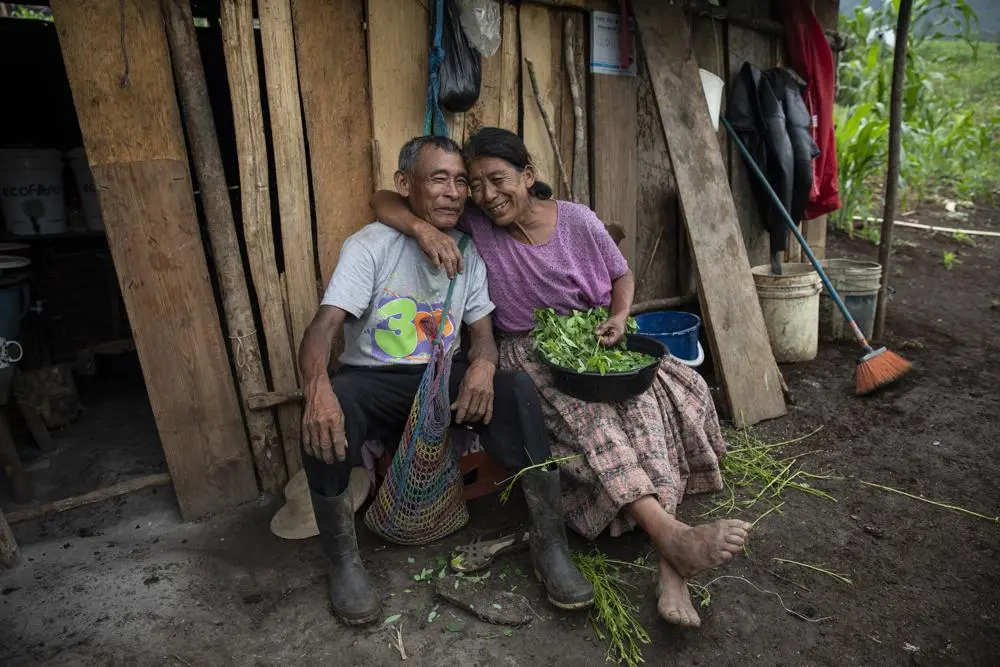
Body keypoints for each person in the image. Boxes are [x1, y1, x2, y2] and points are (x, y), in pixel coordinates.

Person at [371, 127, 751, 628]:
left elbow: (621, 275)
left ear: (528, 176)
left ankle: (670, 558)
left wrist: (619, 316)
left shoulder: (576, 220)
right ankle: (674, 541)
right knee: (596, 422)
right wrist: (424, 230)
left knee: (650, 407)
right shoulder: (480, 223)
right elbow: (381, 199)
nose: (486, 195)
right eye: (476, 185)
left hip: (595, 339)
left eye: (497, 180)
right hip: (531, 352)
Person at [298, 135, 594, 627]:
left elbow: (482, 334)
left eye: (461, 181)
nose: (454, 192)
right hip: (376, 380)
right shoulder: (370, 246)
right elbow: (321, 329)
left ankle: (550, 543)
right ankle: (343, 560)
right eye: (439, 179)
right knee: (331, 408)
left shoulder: (468, 249)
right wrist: (317, 391)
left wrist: (483, 364)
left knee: (515, 389)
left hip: (439, 380)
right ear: (405, 185)